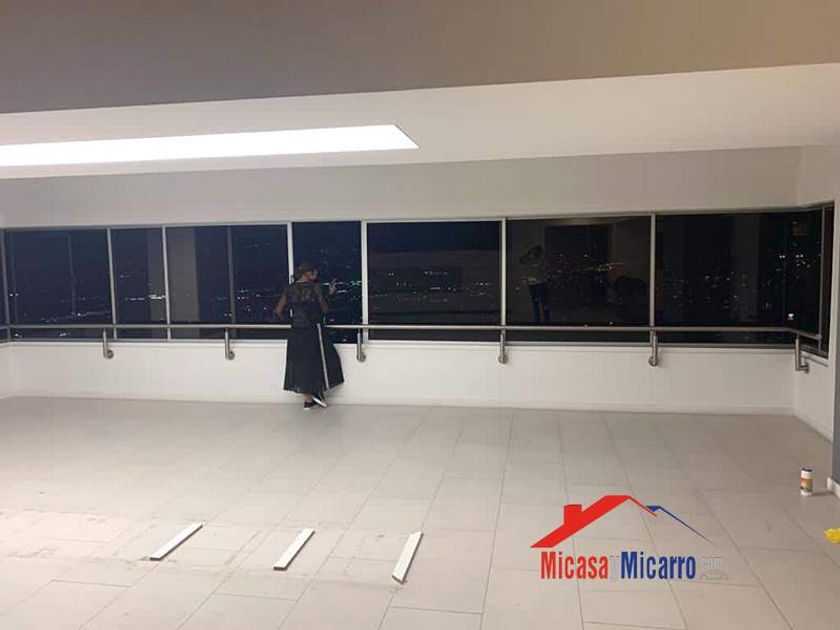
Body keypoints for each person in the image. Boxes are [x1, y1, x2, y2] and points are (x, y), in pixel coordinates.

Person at [273, 262, 344, 410]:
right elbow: (324, 309)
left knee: (300, 363)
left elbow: (278, 311)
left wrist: (292, 320)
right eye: (314, 272)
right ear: (307, 273)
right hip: (313, 329)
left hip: (296, 331)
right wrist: (331, 294)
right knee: (321, 359)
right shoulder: (315, 287)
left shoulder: (289, 289)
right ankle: (316, 392)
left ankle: (308, 400)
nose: (316, 275)